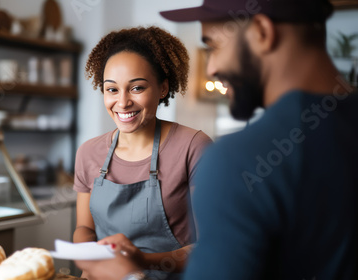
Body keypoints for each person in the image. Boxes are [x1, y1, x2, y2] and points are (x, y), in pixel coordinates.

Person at [75, 0, 358, 279]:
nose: (210, 68)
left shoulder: (236, 160)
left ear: (262, 31)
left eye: (213, 46)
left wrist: (130, 275)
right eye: (111, 89)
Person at [73, 26, 212, 279]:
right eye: (112, 89)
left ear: (162, 88)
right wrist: (88, 256)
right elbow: (84, 227)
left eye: (137, 88)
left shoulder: (193, 146)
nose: (123, 102)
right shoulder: (88, 152)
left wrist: (142, 261)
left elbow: (209, 246)